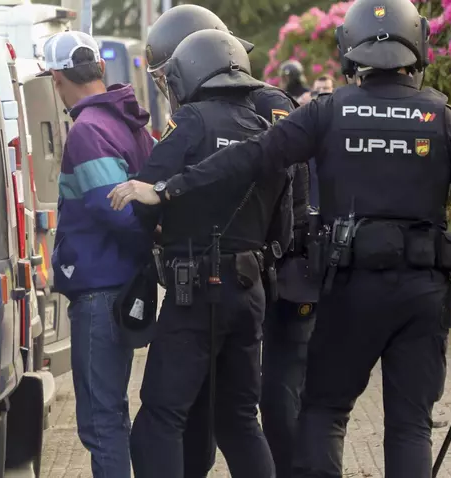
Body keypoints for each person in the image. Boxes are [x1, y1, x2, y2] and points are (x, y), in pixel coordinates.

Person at [108, 0, 451, 476]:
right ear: (419, 46)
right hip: (423, 296)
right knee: (410, 428)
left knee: (324, 412)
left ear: (349, 47)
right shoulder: (446, 119)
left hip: (350, 291)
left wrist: (168, 187)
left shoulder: (329, 111)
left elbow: (252, 157)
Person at [142, 6, 307, 476]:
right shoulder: (266, 122)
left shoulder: (195, 120)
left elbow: (146, 193)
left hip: (203, 286)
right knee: (238, 419)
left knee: (162, 416)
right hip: (254, 283)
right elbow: (285, 212)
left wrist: (163, 227)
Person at [37, 30, 154, 478]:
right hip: (125, 286)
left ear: (56, 78)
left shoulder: (87, 130)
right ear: (101, 68)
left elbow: (115, 210)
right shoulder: (129, 122)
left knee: (101, 421)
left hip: (99, 292)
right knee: (113, 411)